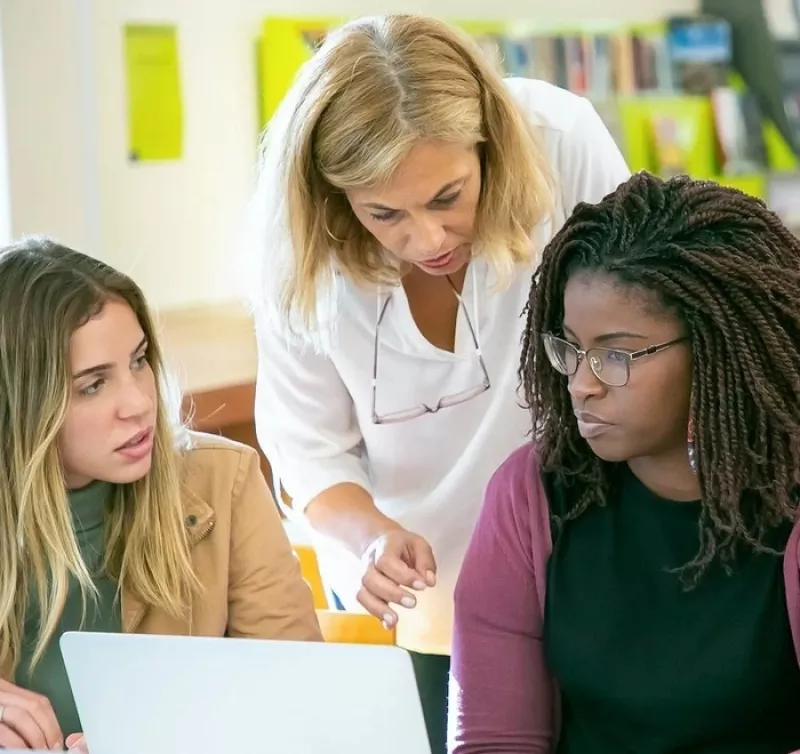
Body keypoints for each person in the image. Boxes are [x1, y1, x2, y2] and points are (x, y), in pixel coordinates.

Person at [247, 13, 629, 753]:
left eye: (448, 196)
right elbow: (309, 451)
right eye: (384, 213)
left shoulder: (561, 141)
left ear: (489, 143)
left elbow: (638, 319)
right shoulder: (299, 251)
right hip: (415, 604)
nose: (427, 239)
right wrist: (367, 541)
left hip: (587, 565)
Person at [449, 173, 800, 754]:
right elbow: (492, 740)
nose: (581, 385)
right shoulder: (530, 494)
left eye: (616, 354)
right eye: (569, 348)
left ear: (719, 348)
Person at [0, 238, 322, 752]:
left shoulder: (224, 481)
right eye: (92, 385)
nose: (138, 402)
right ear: (19, 405)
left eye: (139, 360)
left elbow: (301, 703)